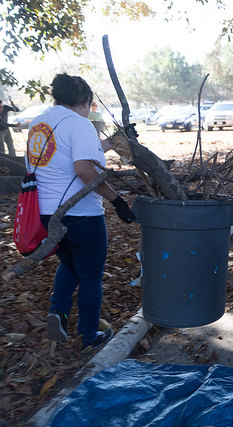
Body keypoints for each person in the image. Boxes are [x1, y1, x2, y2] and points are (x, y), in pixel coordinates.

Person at [26, 73, 136, 350]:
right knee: (90, 276)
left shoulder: (38, 123)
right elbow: (83, 168)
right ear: (86, 101)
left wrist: (113, 142)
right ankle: (88, 335)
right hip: (82, 214)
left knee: (69, 264)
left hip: (46, 213)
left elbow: (71, 153)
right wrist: (117, 201)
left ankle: (58, 312)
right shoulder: (81, 124)